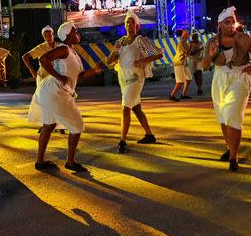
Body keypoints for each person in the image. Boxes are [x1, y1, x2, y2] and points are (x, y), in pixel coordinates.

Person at [29, 22, 103, 172]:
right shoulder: (63, 49)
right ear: (68, 35)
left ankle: (40, 161)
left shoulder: (73, 52)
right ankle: (70, 162)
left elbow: (79, 76)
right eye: (75, 32)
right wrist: (58, 76)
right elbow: (44, 59)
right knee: (77, 125)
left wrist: (93, 71)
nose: (78, 34)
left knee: (49, 125)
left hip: (53, 91)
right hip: (54, 91)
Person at [202, 6, 251, 172]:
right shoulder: (212, 42)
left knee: (233, 115)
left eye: (233, 22)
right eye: (227, 23)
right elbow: (204, 65)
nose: (231, 26)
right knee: (223, 116)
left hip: (240, 77)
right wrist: (211, 55)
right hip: (219, 78)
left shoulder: (244, 38)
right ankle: (230, 148)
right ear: (219, 24)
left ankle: (233, 157)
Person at [106, 10, 164, 152]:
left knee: (125, 108)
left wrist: (142, 60)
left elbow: (159, 54)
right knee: (136, 108)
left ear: (137, 26)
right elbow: (108, 61)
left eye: (132, 22)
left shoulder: (140, 40)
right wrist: (115, 51)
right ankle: (149, 135)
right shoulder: (119, 41)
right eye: (127, 22)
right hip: (123, 78)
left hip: (136, 78)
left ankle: (122, 141)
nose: (129, 24)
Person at [169, 29, 192, 101]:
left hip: (183, 63)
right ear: (184, 36)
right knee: (180, 81)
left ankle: (183, 95)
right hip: (179, 63)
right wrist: (191, 48)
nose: (189, 34)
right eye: (187, 33)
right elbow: (187, 54)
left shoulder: (185, 43)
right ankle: (172, 95)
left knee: (188, 79)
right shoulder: (182, 43)